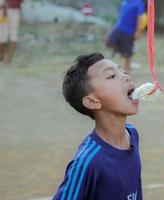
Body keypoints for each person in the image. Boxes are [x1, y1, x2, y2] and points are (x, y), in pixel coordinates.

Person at [52, 53, 143, 200]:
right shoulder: (87, 162)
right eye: (112, 76)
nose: (126, 76)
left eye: (123, 71)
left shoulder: (132, 134)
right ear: (93, 101)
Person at [106, 0, 145, 71]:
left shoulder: (138, 2)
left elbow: (140, 18)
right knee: (109, 41)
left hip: (129, 31)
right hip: (119, 27)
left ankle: (127, 70)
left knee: (127, 53)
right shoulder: (124, 1)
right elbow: (121, 15)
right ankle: (120, 50)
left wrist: (138, 31)